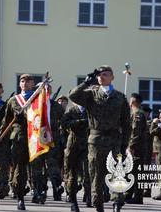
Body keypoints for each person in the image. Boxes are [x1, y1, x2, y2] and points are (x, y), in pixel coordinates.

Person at [69, 65, 131, 212]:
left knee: (117, 173)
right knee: (96, 174)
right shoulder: (90, 94)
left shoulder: (120, 97)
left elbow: (126, 123)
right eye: (99, 75)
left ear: (112, 77)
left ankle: (117, 202)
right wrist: (86, 82)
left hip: (114, 140)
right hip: (96, 140)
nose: (102, 77)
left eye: (105, 74)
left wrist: (124, 143)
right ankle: (98, 205)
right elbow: (73, 95)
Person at [3, 73, 34, 210]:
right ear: (19, 84)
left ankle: (39, 191)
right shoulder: (13, 101)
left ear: (32, 84)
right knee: (19, 168)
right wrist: (0, 135)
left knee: (36, 169)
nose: (25, 83)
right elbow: (6, 121)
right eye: (22, 81)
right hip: (19, 139)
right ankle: (20, 197)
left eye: (28, 81)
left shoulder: (37, 99)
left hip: (34, 138)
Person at [61, 103, 91, 212]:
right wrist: (78, 122)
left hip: (88, 145)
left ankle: (89, 196)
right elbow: (63, 124)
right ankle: (73, 200)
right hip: (73, 145)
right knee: (72, 174)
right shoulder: (71, 110)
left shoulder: (90, 109)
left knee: (88, 172)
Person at [125, 93, 147, 204]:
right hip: (137, 147)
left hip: (137, 148)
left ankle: (138, 197)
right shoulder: (134, 113)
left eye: (130, 99)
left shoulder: (137, 114)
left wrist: (130, 146)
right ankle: (128, 194)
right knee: (132, 172)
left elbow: (135, 132)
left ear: (133, 100)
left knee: (137, 173)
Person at [141, 105, 153, 198]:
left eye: (145, 112)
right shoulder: (140, 121)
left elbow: (150, 132)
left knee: (147, 171)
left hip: (148, 149)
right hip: (140, 148)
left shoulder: (150, 122)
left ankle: (147, 190)